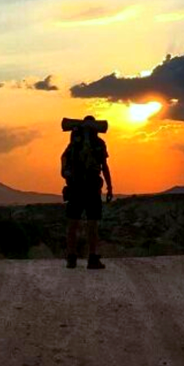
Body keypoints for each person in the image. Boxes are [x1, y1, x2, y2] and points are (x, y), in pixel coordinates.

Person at [61, 115, 113, 269]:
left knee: (72, 224)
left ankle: (71, 258)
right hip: (92, 188)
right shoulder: (99, 143)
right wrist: (110, 187)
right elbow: (104, 166)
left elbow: (65, 161)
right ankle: (92, 258)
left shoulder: (73, 144)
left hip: (76, 187)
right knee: (92, 225)